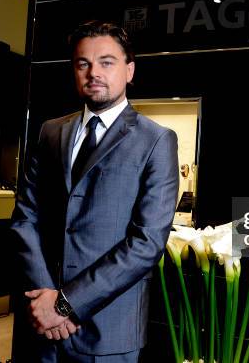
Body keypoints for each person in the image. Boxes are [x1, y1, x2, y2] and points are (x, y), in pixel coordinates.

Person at [10, 21, 179, 362]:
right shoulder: (50, 132)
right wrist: (46, 301)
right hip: (41, 323)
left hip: (109, 330)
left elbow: (147, 243)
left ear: (129, 70)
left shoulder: (156, 140)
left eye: (106, 62)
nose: (93, 73)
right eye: (83, 63)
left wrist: (65, 303)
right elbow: (26, 218)